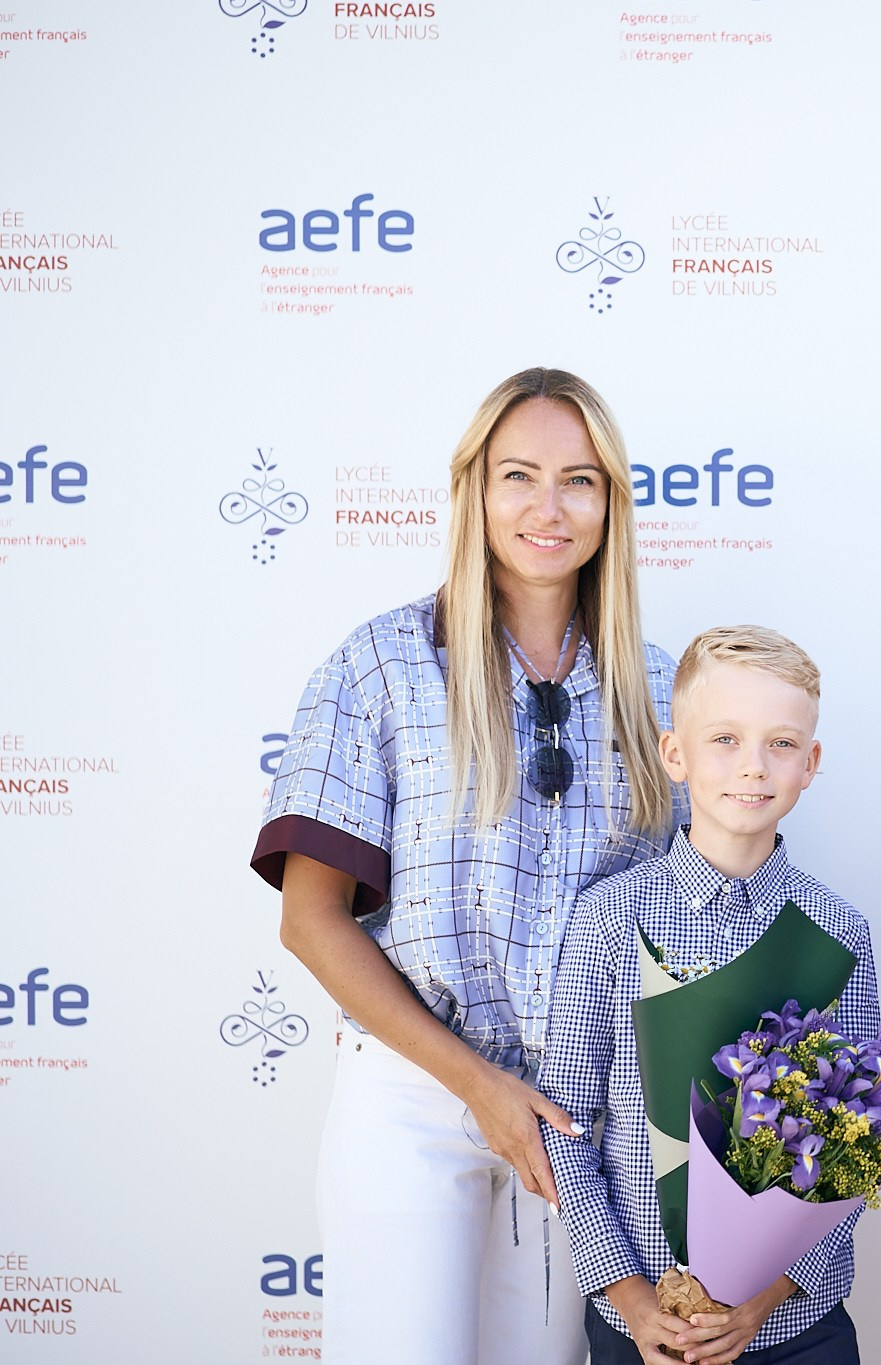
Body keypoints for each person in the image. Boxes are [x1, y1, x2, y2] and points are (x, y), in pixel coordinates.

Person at [250, 367, 681, 1365]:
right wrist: (477, 1086)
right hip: (413, 1094)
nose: (547, 506)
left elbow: (691, 913)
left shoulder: (659, 689)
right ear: (472, 492)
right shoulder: (381, 664)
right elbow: (310, 918)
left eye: (578, 480)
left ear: (611, 503)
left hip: (572, 1120)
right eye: (517, 475)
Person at [541, 625, 878, 1365]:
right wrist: (628, 1296)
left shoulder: (839, 932)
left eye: (781, 744)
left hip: (796, 1333)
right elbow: (563, 1125)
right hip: (643, 1326)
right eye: (724, 738)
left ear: (811, 762)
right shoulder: (609, 919)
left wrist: (764, 1302)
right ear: (674, 753)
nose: (753, 767)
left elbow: (858, 1148)